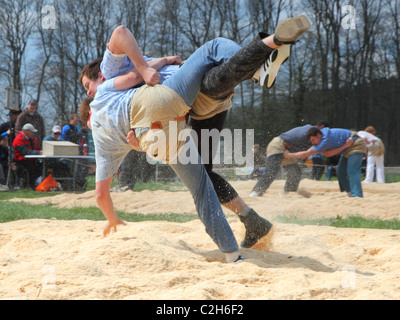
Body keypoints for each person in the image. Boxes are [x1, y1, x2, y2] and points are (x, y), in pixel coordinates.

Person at [79, 16, 310, 262]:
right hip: (176, 100)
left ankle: (233, 254)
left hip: (165, 127)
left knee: (201, 185)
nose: (88, 92)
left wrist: (113, 217)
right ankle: (262, 62)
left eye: (87, 85)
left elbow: (101, 194)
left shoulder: (107, 85)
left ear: (100, 75)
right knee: (214, 48)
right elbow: (134, 72)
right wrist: (151, 67)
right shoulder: (106, 90)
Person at [284, 127, 366, 198]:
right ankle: (350, 192)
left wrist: (288, 155)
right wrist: (345, 146)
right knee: (340, 171)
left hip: (356, 143)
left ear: (319, 135)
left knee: (352, 171)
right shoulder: (321, 136)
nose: (313, 143)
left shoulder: (324, 141)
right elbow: (324, 152)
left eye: (313, 140)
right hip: (349, 145)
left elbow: (326, 154)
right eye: (311, 141)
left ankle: (357, 195)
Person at [249, 124, 314, 197]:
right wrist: (294, 156)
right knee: (272, 171)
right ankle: (257, 191)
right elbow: (302, 151)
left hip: (287, 149)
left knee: (296, 170)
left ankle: (289, 191)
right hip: (278, 145)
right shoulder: (306, 134)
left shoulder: (312, 134)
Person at [12, 123, 43, 189]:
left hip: (31, 160)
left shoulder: (34, 139)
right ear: (26, 131)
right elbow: (25, 152)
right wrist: (39, 152)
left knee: (42, 167)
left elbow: (37, 149)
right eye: (32, 132)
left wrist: (43, 151)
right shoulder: (18, 139)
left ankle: (34, 184)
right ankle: (29, 185)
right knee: (32, 168)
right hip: (20, 161)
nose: (33, 133)